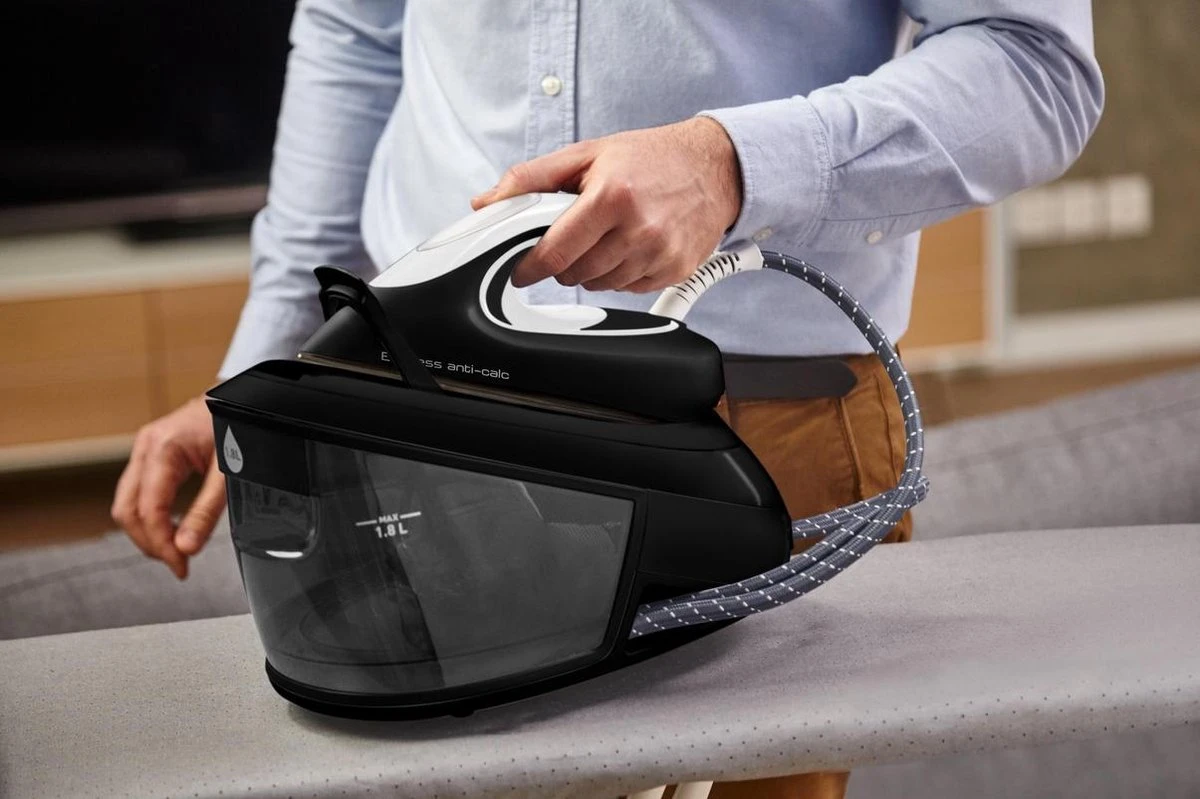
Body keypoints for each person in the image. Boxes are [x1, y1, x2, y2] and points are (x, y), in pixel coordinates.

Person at [112, 2, 1102, 795]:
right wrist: (279, 355)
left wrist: (731, 165)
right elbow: (356, 31)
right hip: (412, 422)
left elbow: (1036, 64)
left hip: (757, 424)